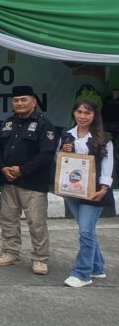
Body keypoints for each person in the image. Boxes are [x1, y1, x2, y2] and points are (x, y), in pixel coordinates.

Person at [0, 85, 57, 275]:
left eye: (23, 100)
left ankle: (40, 259)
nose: (19, 103)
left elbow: (46, 154)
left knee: (36, 223)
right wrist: (3, 168)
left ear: (33, 102)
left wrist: (22, 170)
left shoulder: (45, 124)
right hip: (9, 181)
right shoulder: (9, 122)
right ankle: (11, 253)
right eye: (16, 100)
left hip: (33, 184)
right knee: (8, 219)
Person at [58, 100, 114, 288]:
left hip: (94, 191)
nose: (82, 116)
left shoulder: (104, 138)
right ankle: (97, 267)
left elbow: (108, 166)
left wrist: (104, 189)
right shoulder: (67, 135)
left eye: (87, 113)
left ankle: (82, 273)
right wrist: (63, 150)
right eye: (79, 112)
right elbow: (59, 161)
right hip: (72, 190)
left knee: (85, 232)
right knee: (87, 230)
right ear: (74, 113)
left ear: (94, 116)